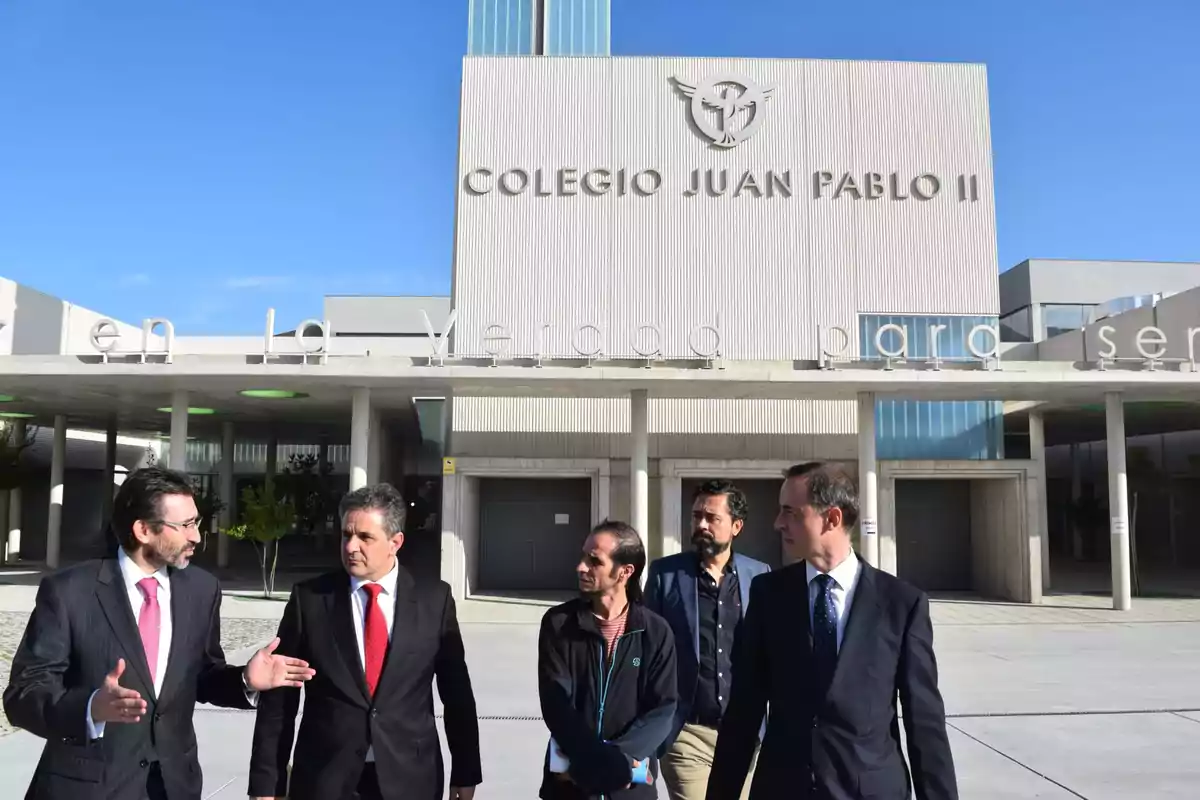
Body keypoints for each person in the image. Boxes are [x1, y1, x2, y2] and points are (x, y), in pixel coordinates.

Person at [3, 466, 314, 800]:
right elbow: (23, 695)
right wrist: (91, 707)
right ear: (143, 530)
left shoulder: (201, 589)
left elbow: (202, 677)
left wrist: (245, 682)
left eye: (196, 522)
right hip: (88, 788)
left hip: (172, 786)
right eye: (185, 526)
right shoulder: (69, 592)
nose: (196, 536)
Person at [706, 462, 958, 800]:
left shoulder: (901, 604)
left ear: (832, 518)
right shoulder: (769, 595)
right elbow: (743, 712)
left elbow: (925, 725)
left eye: (790, 512)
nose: (778, 523)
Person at [248, 483, 481, 800]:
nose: (350, 546)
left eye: (365, 538)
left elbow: (457, 695)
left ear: (395, 542)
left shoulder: (434, 600)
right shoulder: (311, 600)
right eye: (346, 535)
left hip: (410, 779)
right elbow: (279, 702)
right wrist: (266, 784)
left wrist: (466, 771)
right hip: (325, 778)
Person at [644, 480, 770, 800]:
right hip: (688, 733)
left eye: (712, 518)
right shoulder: (665, 576)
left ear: (736, 526)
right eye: (696, 515)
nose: (701, 524)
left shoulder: (760, 577)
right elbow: (643, 653)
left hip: (745, 735)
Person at [537, 520, 678, 800]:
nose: (581, 567)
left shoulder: (655, 631)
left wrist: (621, 759)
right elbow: (556, 705)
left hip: (631, 786)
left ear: (625, 572)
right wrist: (593, 759)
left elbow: (663, 709)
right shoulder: (559, 624)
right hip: (570, 783)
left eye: (594, 561)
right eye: (582, 557)